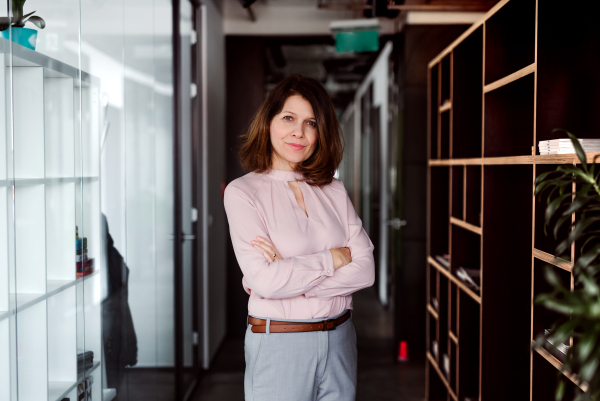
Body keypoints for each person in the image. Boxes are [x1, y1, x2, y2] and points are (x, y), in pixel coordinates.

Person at [224, 74, 375, 401]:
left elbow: (365, 270)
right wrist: (332, 259)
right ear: (268, 122)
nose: (299, 132)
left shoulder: (333, 190)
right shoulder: (243, 192)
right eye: (289, 118)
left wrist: (289, 273)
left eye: (311, 123)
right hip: (280, 342)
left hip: (340, 339)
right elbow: (265, 282)